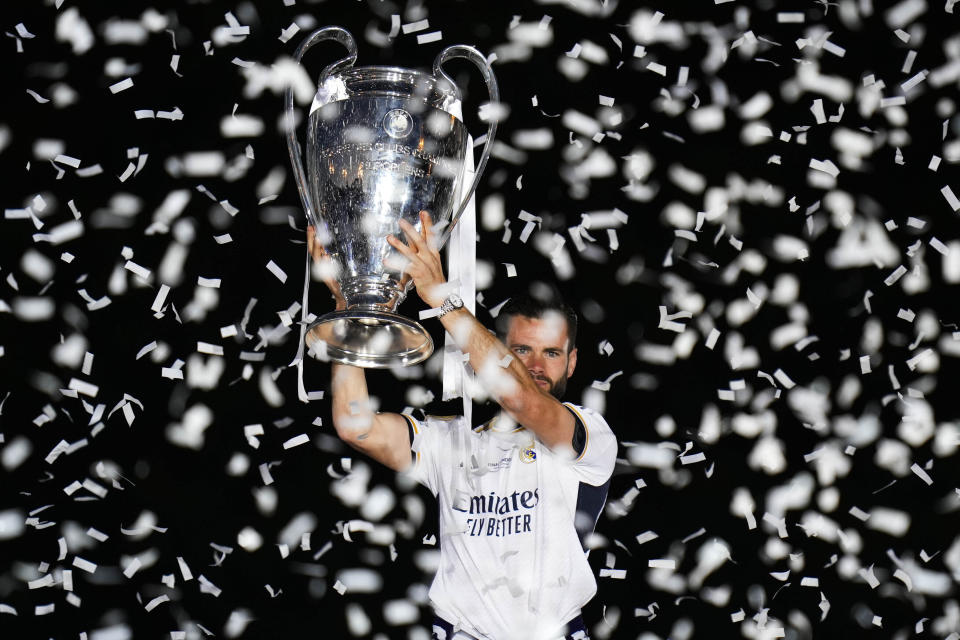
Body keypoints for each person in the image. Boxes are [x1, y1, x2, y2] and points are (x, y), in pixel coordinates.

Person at [307, 212, 617, 640]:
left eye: (551, 353)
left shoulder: (591, 436)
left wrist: (442, 300)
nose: (536, 365)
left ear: (573, 361)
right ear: (490, 347)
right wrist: (348, 313)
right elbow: (354, 426)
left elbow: (522, 398)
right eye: (521, 349)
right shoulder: (450, 438)